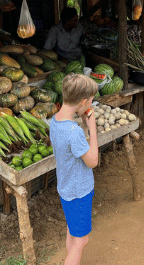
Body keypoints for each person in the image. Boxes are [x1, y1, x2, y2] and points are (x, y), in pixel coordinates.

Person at [49, 74, 100, 265]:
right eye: (91, 101)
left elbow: (77, 151)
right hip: (79, 192)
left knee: (72, 232)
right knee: (82, 240)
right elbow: (92, 161)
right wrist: (92, 129)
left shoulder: (55, 121)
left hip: (66, 188)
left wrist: (84, 128)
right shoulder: (73, 132)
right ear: (84, 102)